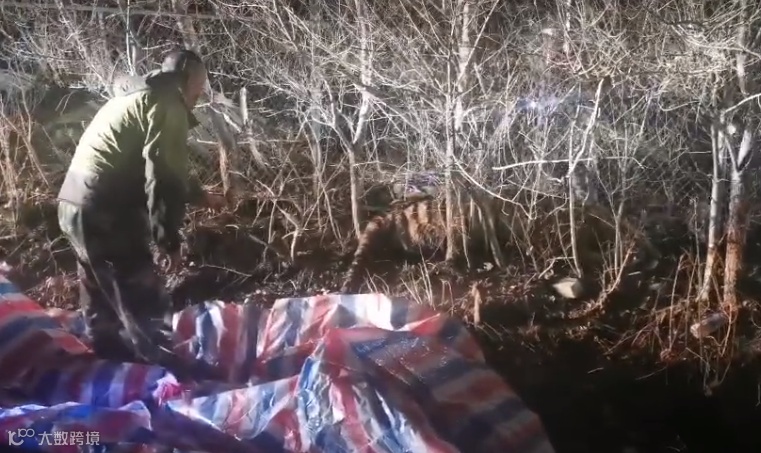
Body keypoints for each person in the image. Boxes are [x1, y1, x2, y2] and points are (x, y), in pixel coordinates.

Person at [56, 49, 226, 379]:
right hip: (106, 208)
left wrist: (200, 195)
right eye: (200, 86)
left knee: (98, 289)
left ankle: (109, 368)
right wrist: (168, 240)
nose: (200, 94)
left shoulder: (134, 97)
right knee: (140, 291)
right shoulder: (169, 104)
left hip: (73, 204)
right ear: (188, 80)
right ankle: (167, 373)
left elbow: (156, 162)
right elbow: (162, 178)